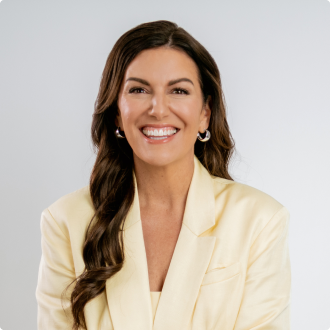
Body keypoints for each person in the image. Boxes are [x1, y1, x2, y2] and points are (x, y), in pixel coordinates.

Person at [36, 20, 291, 330]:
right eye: (139, 90)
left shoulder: (259, 220)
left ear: (204, 114)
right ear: (117, 110)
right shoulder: (65, 221)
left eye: (179, 90)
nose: (158, 109)